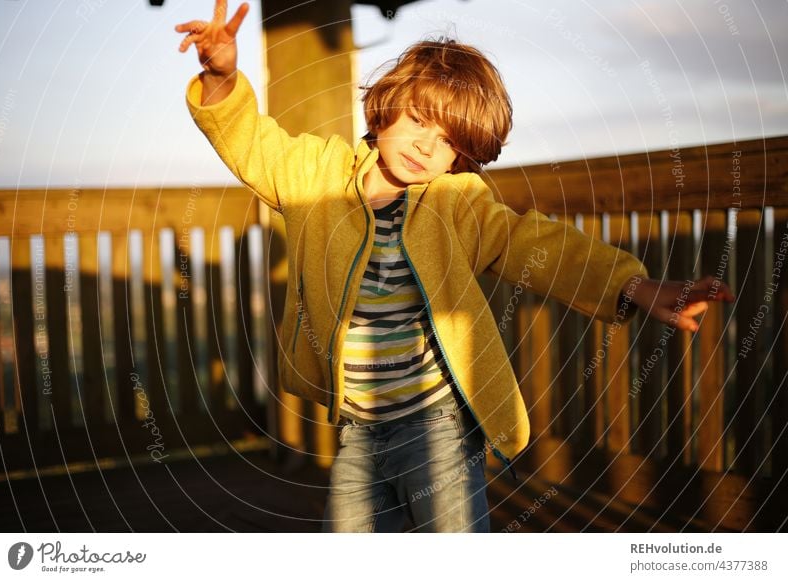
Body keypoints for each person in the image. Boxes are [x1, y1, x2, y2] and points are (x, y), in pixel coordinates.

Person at [176, 1, 734, 533]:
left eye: (447, 142)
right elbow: (253, 145)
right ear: (387, 105)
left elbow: (533, 244)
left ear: (461, 157)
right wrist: (223, 80)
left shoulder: (457, 204)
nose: (425, 145)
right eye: (418, 119)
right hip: (359, 431)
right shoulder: (314, 178)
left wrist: (633, 285)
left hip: (437, 426)